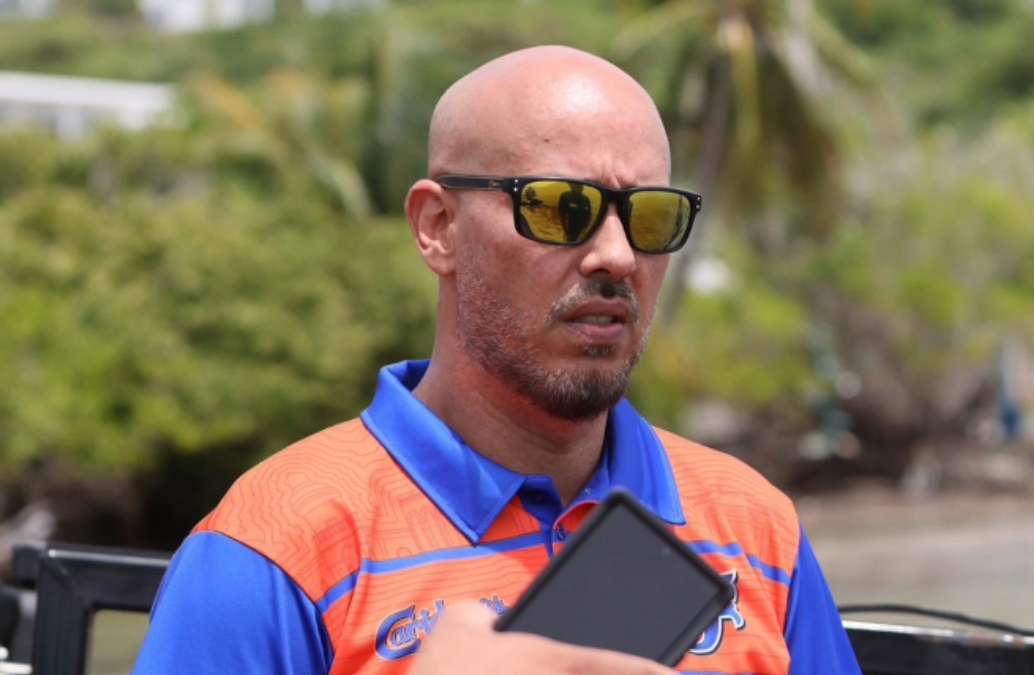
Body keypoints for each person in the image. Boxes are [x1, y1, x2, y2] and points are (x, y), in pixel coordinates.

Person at [132, 45, 861, 675]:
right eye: (560, 208)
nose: (616, 255)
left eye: (649, 216)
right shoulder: (272, 549)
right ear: (438, 227)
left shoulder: (755, 527)